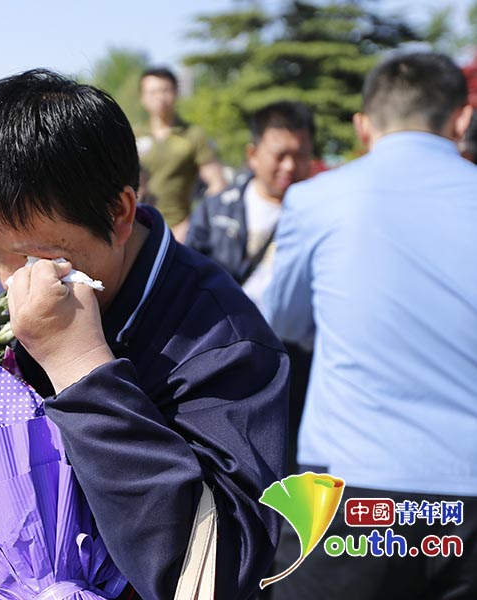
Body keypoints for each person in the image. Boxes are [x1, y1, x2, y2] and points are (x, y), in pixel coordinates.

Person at [0, 69, 289, 600]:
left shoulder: (224, 341)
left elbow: (215, 574)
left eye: (37, 257)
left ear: (118, 213)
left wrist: (81, 367)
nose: (9, 286)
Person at [264, 52, 477, 599]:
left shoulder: (315, 200)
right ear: (461, 118)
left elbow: (283, 322)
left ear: (362, 126)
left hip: (354, 493)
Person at [187, 101, 315, 475]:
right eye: (281, 155)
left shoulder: (321, 215)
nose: (290, 167)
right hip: (230, 353)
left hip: (299, 358)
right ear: (253, 154)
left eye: (301, 155)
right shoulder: (216, 211)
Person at [136, 67, 227, 242]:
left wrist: (192, 223)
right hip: (137, 231)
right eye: (152, 92)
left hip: (178, 231)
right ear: (142, 97)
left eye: (165, 90)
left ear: (176, 92)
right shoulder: (132, 135)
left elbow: (218, 184)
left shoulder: (193, 135)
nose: (159, 97)